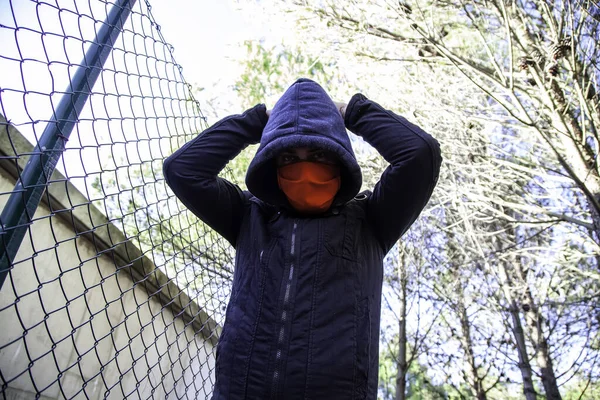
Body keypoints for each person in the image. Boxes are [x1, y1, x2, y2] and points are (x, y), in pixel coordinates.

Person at [163, 78, 441, 399]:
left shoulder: (372, 222)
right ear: (273, 165)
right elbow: (182, 169)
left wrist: (350, 112)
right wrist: (261, 121)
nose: (305, 169)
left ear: (340, 158)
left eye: (319, 154)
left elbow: (420, 154)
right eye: (289, 158)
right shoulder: (248, 217)